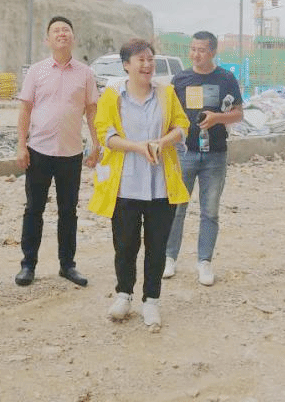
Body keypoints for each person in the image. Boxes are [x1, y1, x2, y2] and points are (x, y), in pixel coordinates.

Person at [89, 38, 189, 329]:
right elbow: (105, 134)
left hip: (161, 186)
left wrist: (162, 142)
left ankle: (151, 301)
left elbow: (182, 126)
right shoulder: (112, 96)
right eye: (140, 60)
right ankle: (124, 295)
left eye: (150, 59)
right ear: (126, 65)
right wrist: (137, 146)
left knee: (157, 247)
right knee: (125, 245)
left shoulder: (166, 93)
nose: (147, 65)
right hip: (125, 185)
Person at [14, 15, 102, 288]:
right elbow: (25, 109)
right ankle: (28, 265)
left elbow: (92, 110)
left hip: (71, 153)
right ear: (47, 39)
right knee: (34, 209)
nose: (62, 34)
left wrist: (96, 143)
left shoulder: (85, 73)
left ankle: (68, 265)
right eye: (56, 31)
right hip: (38, 151)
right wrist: (21, 144)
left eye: (66, 30)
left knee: (68, 211)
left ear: (73, 37)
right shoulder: (36, 71)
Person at [163, 31, 244, 286]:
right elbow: (169, 114)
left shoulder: (226, 79)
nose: (195, 54)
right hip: (184, 153)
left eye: (201, 50)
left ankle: (204, 261)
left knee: (210, 211)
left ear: (213, 52)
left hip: (215, 155)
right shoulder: (181, 79)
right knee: (176, 208)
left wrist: (217, 118)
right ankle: (169, 257)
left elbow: (239, 113)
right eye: (193, 49)